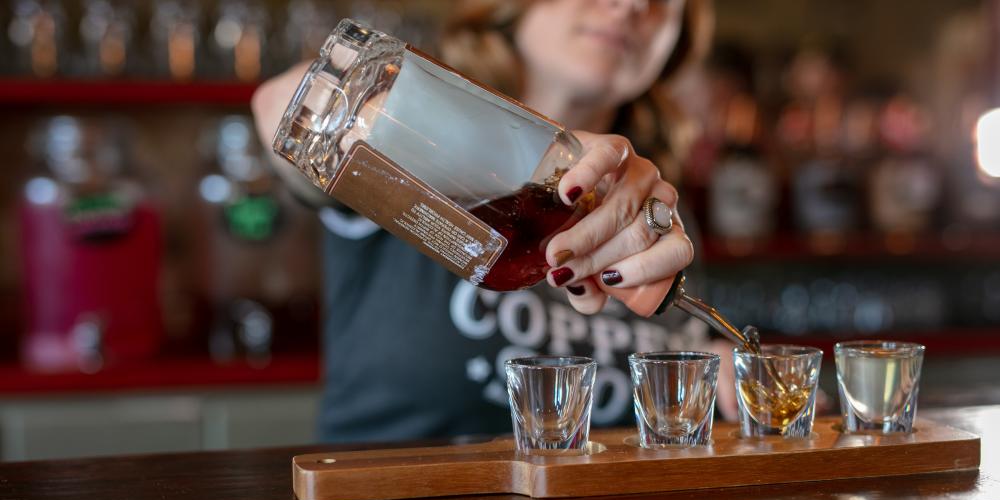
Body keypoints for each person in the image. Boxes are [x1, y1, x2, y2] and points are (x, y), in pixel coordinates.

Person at [252, 0, 733, 443]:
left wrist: (715, 366)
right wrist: (542, 154)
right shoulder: (398, 118)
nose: (630, 5)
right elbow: (287, 104)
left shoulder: (654, 206)